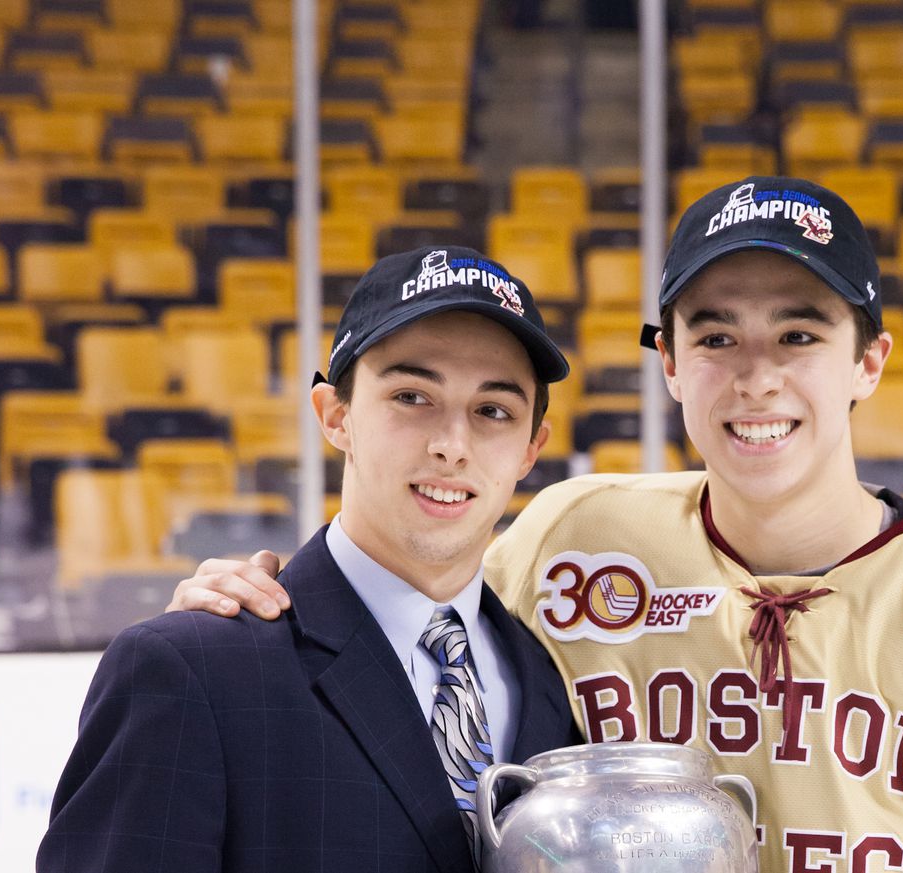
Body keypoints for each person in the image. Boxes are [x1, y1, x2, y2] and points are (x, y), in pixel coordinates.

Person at [169, 178, 903, 872]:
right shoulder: (574, 538)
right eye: (715, 335)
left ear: (868, 362)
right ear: (670, 364)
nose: (756, 375)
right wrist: (244, 609)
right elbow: (401, 619)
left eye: (799, 334)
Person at [39, 246, 582, 873]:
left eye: (493, 411)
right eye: (412, 396)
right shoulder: (190, 669)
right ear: (336, 416)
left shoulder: (551, 678)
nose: (451, 446)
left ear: (530, 448)